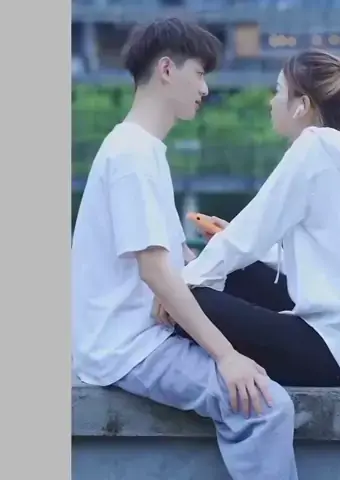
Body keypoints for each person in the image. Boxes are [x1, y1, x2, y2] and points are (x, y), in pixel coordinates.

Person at [71, 18, 298, 480]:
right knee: (267, 407)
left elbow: (174, 262)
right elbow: (156, 272)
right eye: (199, 73)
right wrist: (226, 357)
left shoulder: (140, 149)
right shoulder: (133, 156)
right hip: (129, 346)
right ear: (167, 70)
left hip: (139, 333)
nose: (205, 88)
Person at [170, 47, 340, 389]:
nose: (272, 101)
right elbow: (325, 260)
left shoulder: (312, 149)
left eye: (279, 91)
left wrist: (178, 287)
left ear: (301, 105)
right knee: (234, 271)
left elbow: (249, 234)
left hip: (333, 355)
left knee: (186, 302)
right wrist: (230, 245)